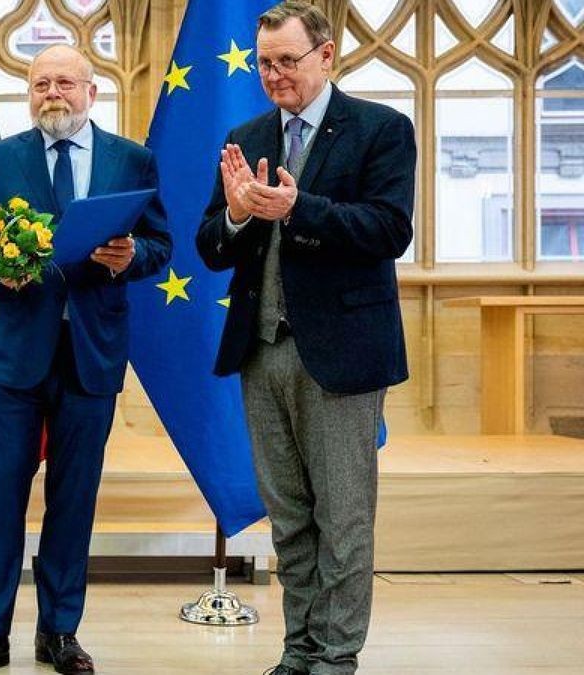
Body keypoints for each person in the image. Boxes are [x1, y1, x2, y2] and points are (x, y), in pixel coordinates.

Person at [194, 3, 415, 674]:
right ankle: (300, 647)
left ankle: (337, 654)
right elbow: (210, 245)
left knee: (343, 515)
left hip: (342, 354)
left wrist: (300, 208)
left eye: (287, 61)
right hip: (261, 351)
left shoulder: (380, 129)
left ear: (327, 56)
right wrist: (235, 213)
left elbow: (387, 230)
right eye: (264, 62)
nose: (273, 74)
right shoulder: (247, 132)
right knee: (289, 516)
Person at [0, 44, 172, 675]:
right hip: (14, 360)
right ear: (29, 93)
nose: (54, 94)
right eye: (41, 83)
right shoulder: (0, 158)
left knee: (74, 502)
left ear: (91, 91)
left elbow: (160, 244)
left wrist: (134, 259)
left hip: (91, 357)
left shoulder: (132, 159)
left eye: (66, 83)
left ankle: (60, 632)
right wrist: (1, 265)